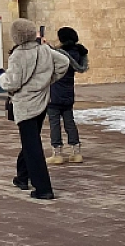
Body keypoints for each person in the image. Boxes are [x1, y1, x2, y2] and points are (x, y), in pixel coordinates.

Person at [0, 19, 70, 200]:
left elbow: (12, 83)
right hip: (42, 101)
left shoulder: (17, 55)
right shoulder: (44, 50)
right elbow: (64, 62)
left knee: (32, 146)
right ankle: (22, 177)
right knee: (30, 141)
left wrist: (1, 76)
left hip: (25, 105)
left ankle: (43, 188)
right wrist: (48, 80)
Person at [47, 27, 89, 165]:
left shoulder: (59, 54)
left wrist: (45, 46)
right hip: (68, 93)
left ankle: (57, 154)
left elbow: (50, 60)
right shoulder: (77, 53)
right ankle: (76, 152)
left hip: (55, 93)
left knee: (54, 124)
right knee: (70, 122)